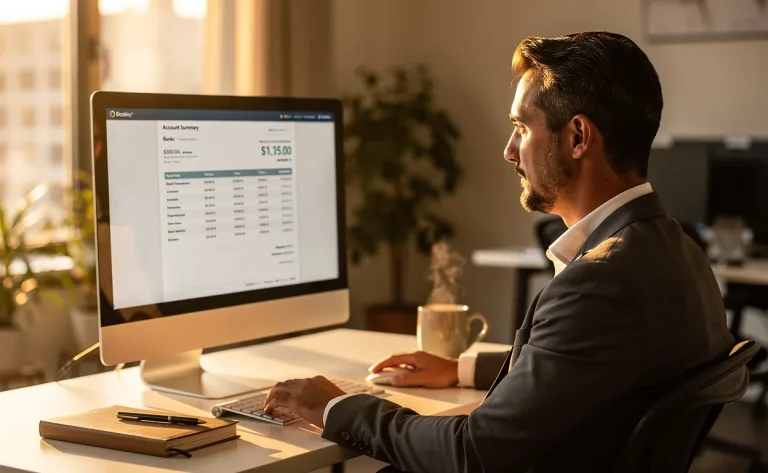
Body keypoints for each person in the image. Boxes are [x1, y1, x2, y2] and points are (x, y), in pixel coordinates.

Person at [263, 31, 734, 473]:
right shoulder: (674, 247)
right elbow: (594, 363)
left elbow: (473, 453)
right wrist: (463, 367)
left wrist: (335, 407)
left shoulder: (602, 280)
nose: (510, 151)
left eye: (521, 128)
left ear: (577, 137)